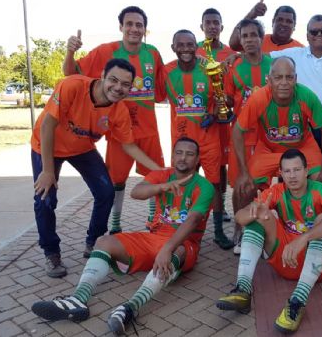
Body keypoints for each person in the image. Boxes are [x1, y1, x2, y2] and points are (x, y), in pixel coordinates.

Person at [31, 137, 214, 335]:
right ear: (172, 155)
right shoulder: (163, 175)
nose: (183, 158)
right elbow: (136, 192)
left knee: (177, 250)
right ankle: (77, 299)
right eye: (179, 152)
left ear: (197, 160)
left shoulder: (204, 186)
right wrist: (160, 187)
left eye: (189, 154)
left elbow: (193, 220)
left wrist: (167, 249)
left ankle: (129, 308)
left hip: (183, 243)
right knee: (104, 242)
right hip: (154, 238)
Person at [31, 58, 162, 277]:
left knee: (106, 192)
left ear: (131, 87)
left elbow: (129, 145)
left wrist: (158, 169)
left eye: (125, 84)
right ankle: (51, 252)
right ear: (102, 76)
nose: (118, 87)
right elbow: (47, 126)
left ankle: (94, 242)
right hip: (47, 146)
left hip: (82, 149)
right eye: (113, 80)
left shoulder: (119, 111)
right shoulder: (73, 85)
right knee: (45, 199)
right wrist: (47, 171)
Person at [216, 149, 322, 333]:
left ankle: (297, 302)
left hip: (317, 267)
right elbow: (239, 216)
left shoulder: (320, 190)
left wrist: (304, 238)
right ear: (280, 173)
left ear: (306, 170)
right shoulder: (277, 191)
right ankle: (242, 290)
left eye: (297, 170)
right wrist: (254, 211)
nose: (292, 176)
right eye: (287, 171)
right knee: (260, 216)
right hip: (286, 261)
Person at [63, 6, 166, 237]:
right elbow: (71, 73)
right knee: (116, 180)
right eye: (129, 24)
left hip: (149, 130)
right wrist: (69, 52)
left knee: (155, 174)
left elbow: (161, 91)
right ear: (121, 27)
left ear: (145, 29)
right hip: (119, 130)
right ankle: (116, 223)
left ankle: (153, 220)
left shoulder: (153, 54)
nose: (134, 29)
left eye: (139, 25)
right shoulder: (105, 51)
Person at [232, 56, 322, 213]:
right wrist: (243, 173)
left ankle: (318, 230)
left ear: (295, 79)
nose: (284, 82)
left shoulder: (306, 96)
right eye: (278, 77)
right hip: (268, 150)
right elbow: (238, 131)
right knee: (244, 186)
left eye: (289, 77)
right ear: (269, 80)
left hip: (302, 148)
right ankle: (241, 230)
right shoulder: (258, 98)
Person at [161, 29, 234, 249]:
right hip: (182, 139)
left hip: (208, 138)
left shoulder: (208, 69)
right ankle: (178, 227)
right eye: (180, 45)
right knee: (182, 183)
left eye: (190, 44)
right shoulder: (165, 72)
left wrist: (215, 114)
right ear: (173, 47)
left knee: (213, 184)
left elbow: (224, 99)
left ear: (197, 47)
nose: (185, 49)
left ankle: (219, 231)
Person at [270, 15, 322, 197]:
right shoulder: (295, 55)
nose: (319, 35)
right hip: (299, 126)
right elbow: (262, 57)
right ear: (307, 35)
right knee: (293, 173)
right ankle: (292, 218)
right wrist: (234, 58)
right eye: (314, 31)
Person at [224, 18, 273, 253]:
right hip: (241, 135)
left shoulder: (273, 65)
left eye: (254, 35)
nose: (249, 40)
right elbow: (226, 99)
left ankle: (261, 231)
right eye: (245, 36)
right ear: (240, 40)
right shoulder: (233, 67)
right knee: (240, 184)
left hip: (266, 135)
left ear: (261, 37)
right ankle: (240, 230)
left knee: (263, 185)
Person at [196, 8, 237, 223]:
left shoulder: (230, 53)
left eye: (216, 22)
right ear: (201, 26)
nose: (212, 26)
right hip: (201, 119)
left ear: (222, 26)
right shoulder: (193, 52)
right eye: (208, 22)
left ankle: (220, 207)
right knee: (194, 164)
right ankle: (196, 206)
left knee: (221, 165)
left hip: (222, 119)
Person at [229, 0, 304, 52]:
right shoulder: (258, 40)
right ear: (272, 22)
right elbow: (233, 45)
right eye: (280, 20)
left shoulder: (301, 51)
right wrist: (252, 15)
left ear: (294, 26)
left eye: (289, 21)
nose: (284, 24)